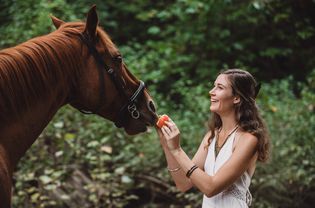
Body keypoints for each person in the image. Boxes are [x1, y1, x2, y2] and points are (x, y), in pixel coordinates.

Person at [156, 69, 270, 207]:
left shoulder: (249, 139)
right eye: (214, 85)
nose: (211, 91)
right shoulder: (211, 137)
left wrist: (177, 150)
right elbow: (183, 184)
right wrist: (167, 146)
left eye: (220, 87)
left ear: (236, 98)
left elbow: (211, 188)